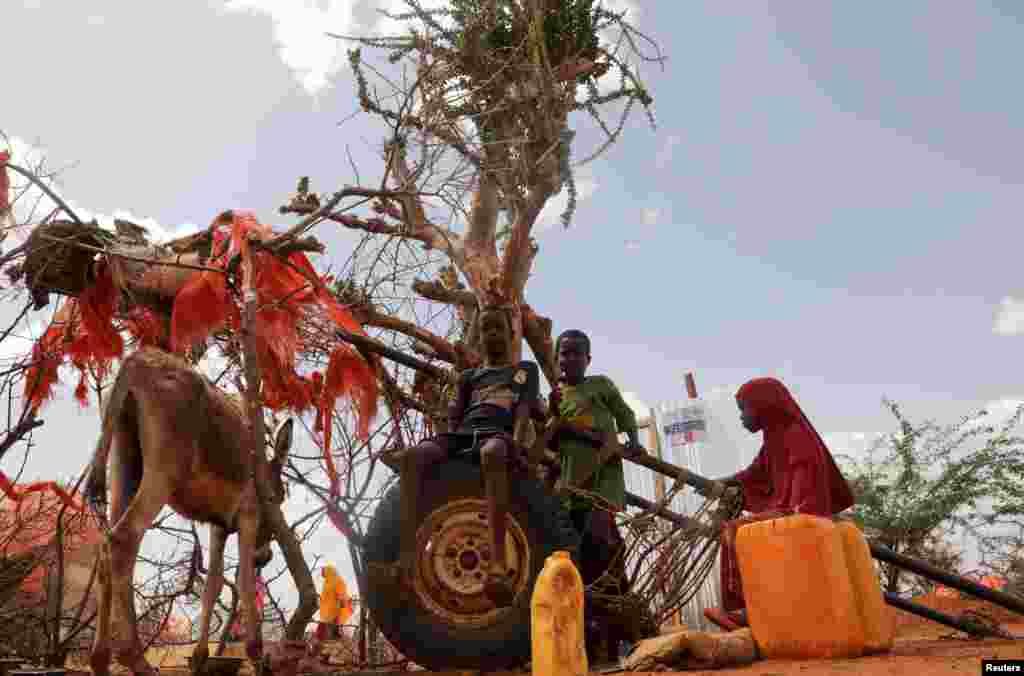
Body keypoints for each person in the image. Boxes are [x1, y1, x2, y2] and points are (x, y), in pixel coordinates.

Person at [371, 305, 542, 607]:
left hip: (496, 435)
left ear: (511, 333)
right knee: (413, 458)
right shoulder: (469, 377)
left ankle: (498, 566)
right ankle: (406, 561)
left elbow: (524, 412)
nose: (492, 335)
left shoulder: (523, 371)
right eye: (486, 329)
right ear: (479, 335)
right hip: (461, 435)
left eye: (498, 328)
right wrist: (443, 448)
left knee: (492, 453)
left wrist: (516, 446)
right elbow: (454, 419)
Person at [703, 377, 854, 632]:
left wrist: (786, 512)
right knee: (736, 528)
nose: (741, 417)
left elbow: (805, 497)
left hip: (803, 511)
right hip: (792, 510)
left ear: (764, 405)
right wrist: (719, 483)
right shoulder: (775, 438)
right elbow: (753, 474)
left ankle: (744, 610)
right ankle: (746, 609)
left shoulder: (796, 435)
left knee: (733, 529)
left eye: (744, 409)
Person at [548, 329, 644, 661]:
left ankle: (622, 635)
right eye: (564, 353)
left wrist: (633, 439)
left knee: (604, 544)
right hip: (572, 485)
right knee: (584, 556)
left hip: (603, 479)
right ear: (557, 358)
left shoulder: (600, 385)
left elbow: (624, 413)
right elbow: (552, 440)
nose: (569, 358)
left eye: (577, 353)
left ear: (588, 359)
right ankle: (598, 641)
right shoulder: (557, 395)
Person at [316, 565, 352, 641]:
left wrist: (342, 606)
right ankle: (325, 647)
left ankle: (333, 646)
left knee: (329, 634)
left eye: (323, 571)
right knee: (320, 634)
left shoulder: (338, 580)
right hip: (325, 611)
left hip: (334, 611)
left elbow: (342, 594)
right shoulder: (327, 582)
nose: (322, 573)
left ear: (328, 571)